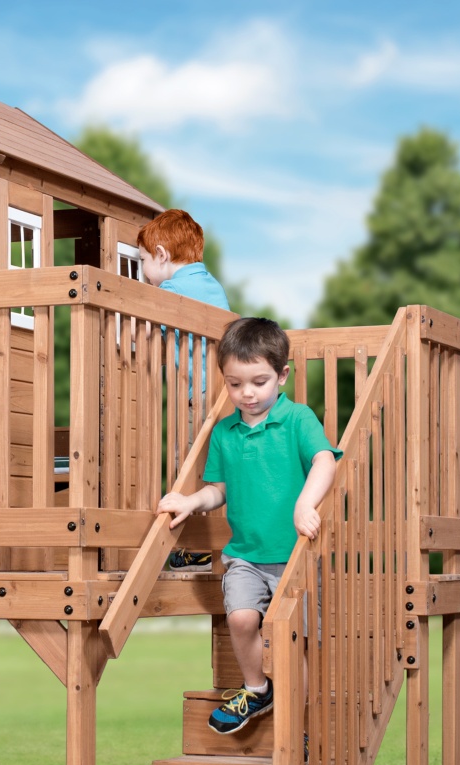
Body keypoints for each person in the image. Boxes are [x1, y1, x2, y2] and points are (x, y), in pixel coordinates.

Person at [157, 318, 340, 735]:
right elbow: (218, 489)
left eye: (258, 382)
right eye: (235, 384)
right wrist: (190, 500)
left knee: (295, 645)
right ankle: (257, 689)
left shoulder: (297, 419)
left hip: (296, 557)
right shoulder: (225, 432)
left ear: (282, 375)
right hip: (246, 556)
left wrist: (305, 504)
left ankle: (299, 729)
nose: (247, 394)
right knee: (241, 619)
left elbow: (324, 461)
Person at [137, 209, 231, 571]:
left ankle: (193, 547)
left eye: (143, 261)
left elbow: (146, 331)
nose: (144, 271)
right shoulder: (212, 285)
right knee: (215, 469)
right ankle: (213, 542)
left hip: (199, 396)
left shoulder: (172, 289)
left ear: (161, 255)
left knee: (185, 464)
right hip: (224, 393)